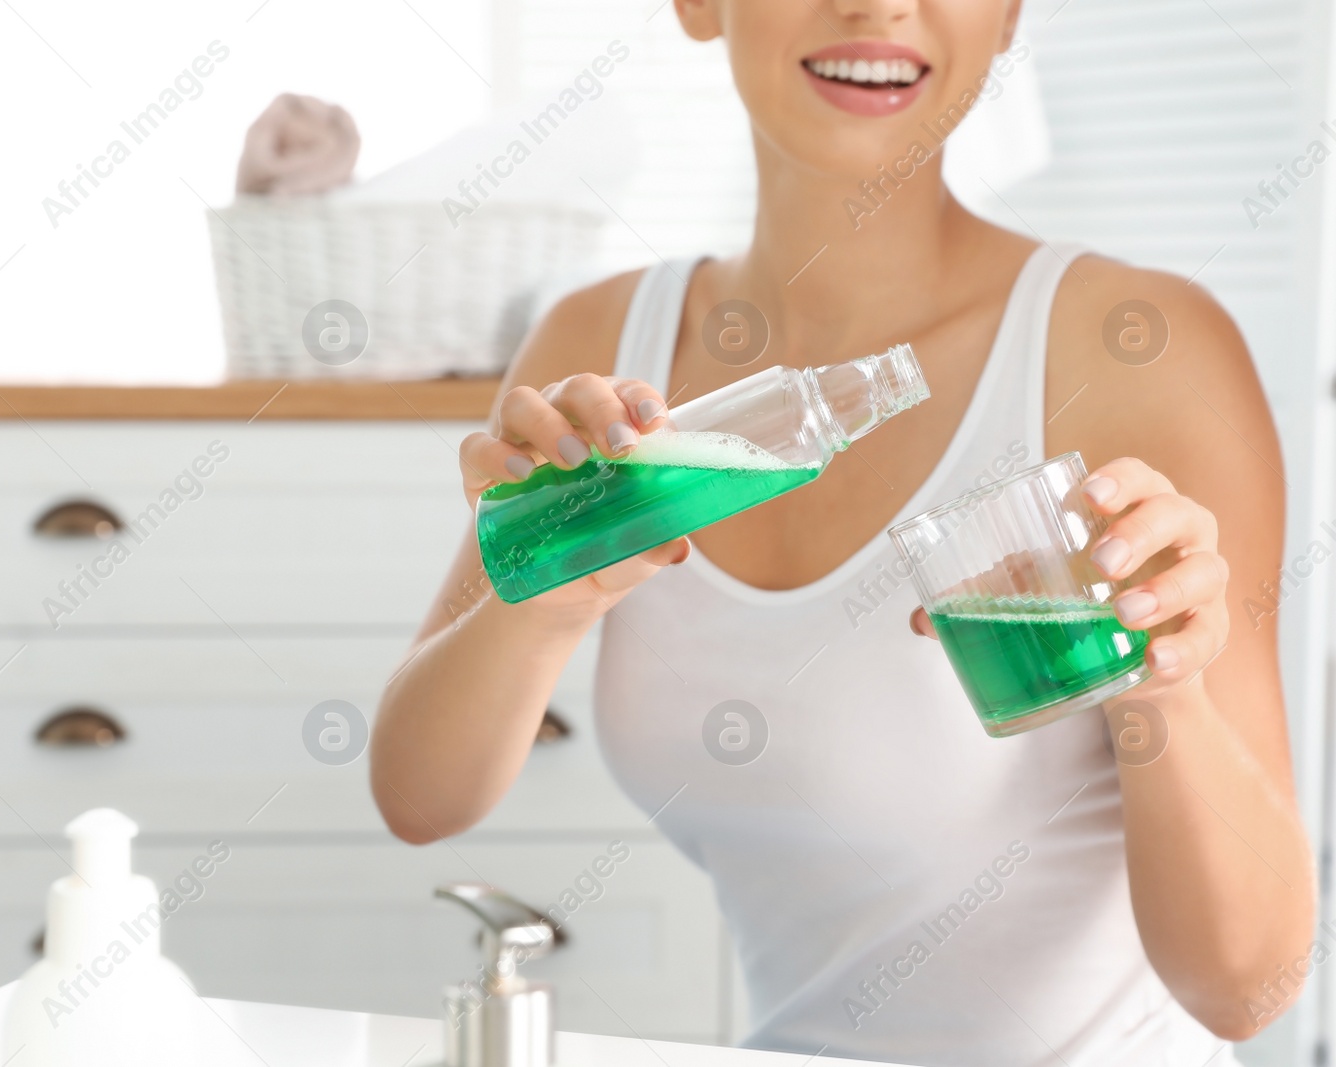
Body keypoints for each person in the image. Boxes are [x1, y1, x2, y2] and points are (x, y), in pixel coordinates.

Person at [370, 1, 1314, 1062]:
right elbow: (419, 795)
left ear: (1007, 15)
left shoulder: (1137, 347)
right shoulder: (600, 342)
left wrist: (1164, 687)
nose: (875, 6)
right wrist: (545, 599)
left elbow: (1251, 988)